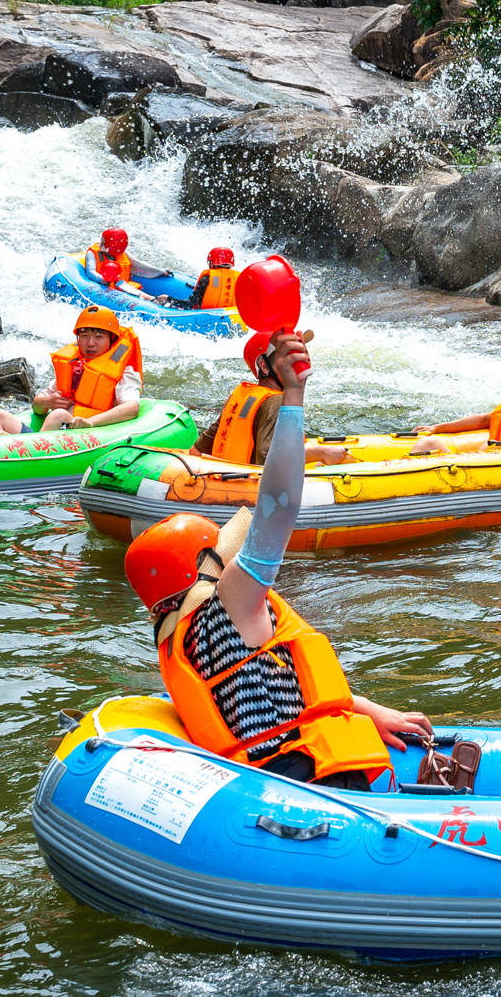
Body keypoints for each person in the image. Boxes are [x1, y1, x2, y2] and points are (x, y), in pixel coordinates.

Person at [124, 329, 434, 788]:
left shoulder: (178, 641)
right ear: (204, 573)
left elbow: (286, 687)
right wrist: (294, 394)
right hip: (314, 781)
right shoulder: (226, 607)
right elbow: (279, 506)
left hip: (272, 779)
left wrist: (368, 710)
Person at [198, 329, 351, 466]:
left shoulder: (244, 396)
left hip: (232, 480)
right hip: (252, 488)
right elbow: (268, 461)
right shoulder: (276, 402)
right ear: (264, 366)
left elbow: (197, 450)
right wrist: (320, 453)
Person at [34, 306, 146, 432]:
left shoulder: (125, 373)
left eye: (99, 337)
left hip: (84, 433)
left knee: (58, 415)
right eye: (85, 335)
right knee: (5, 417)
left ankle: (30, 450)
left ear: (111, 340)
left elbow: (132, 408)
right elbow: (37, 406)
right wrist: (46, 402)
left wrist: (90, 422)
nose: (91, 343)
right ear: (78, 338)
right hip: (57, 431)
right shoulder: (74, 365)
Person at [87, 228, 154, 298]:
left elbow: (138, 266)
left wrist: (159, 271)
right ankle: (152, 299)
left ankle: (155, 299)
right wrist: (102, 279)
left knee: (130, 289)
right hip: (104, 286)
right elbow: (90, 272)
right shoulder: (93, 253)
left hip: (121, 286)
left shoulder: (122, 254)